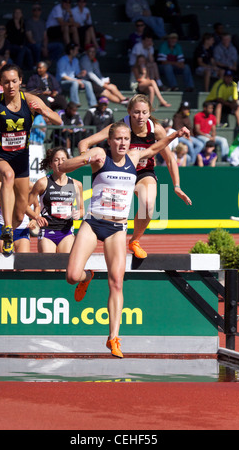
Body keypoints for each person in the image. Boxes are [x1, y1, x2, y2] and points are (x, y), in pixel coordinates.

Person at [60, 120, 190, 358]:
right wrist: (85, 159)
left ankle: (114, 338)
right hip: (93, 222)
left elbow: (155, 148)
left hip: (117, 227)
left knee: (116, 282)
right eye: (118, 139)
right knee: (71, 276)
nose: (122, 142)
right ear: (109, 141)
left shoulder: (134, 158)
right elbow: (65, 166)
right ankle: (86, 276)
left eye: (126, 139)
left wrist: (175, 135)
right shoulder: (100, 155)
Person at [0, 63, 63, 256]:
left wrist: (43, 111)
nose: (10, 85)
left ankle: (13, 227)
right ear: (0, 83)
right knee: (7, 175)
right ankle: (7, 230)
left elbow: (58, 120)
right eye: (6, 82)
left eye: (14, 81)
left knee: (20, 213)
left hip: (21, 160)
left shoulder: (30, 100)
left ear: (20, 81)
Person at [78, 94, 192, 259]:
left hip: (144, 173)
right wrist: (86, 158)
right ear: (129, 112)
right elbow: (84, 143)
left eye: (144, 112)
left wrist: (177, 186)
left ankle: (135, 241)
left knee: (148, 204)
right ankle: (94, 240)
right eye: (136, 112)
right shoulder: (119, 128)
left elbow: (170, 160)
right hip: (119, 173)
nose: (140, 117)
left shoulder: (156, 129)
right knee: (107, 214)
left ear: (149, 112)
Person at [28, 147, 84, 255]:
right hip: (47, 232)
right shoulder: (42, 183)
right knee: (49, 269)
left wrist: (78, 213)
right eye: (56, 160)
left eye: (63, 160)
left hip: (66, 232)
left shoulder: (77, 185)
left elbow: (82, 210)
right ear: (51, 164)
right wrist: (36, 217)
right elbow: (25, 205)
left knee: (65, 269)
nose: (60, 163)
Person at [56, 43, 97, 108]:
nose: (77, 52)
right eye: (76, 50)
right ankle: (75, 102)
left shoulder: (75, 60)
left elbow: (77, 74)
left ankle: (92, 103)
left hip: (73, 80)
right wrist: (76, 80)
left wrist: (81, 73)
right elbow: (63, 76)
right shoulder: (62, 60)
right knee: (75, 83)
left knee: (88, 83)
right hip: (62, 82)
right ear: (71, 51)